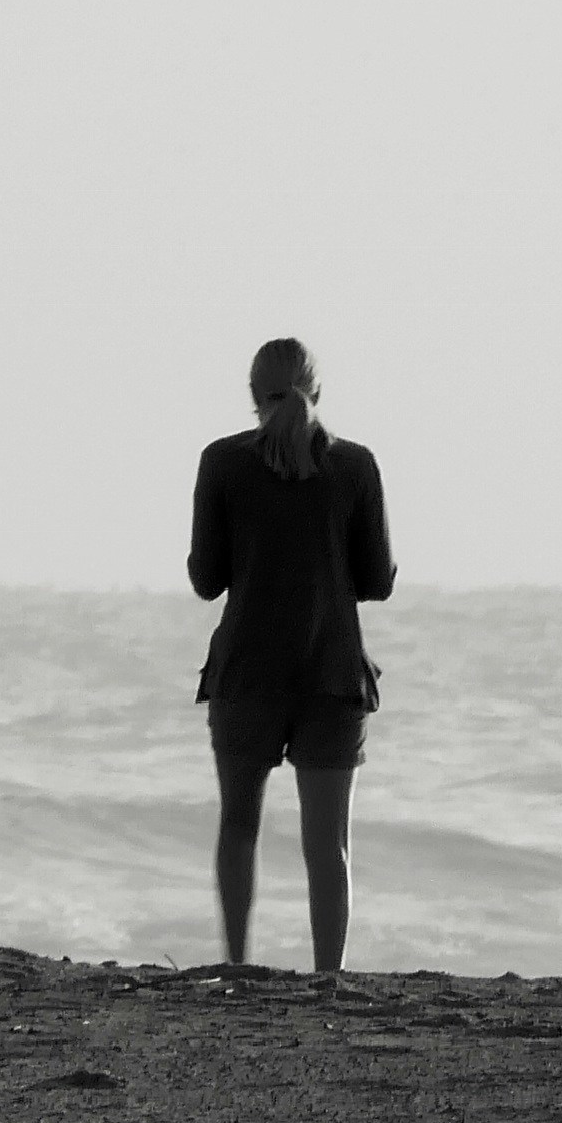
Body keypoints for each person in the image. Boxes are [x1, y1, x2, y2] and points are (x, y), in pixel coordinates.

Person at [189, 336, 395, 991]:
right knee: (326, 842)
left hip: (248, 669)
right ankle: (328, 976)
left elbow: (205, 578)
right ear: (318, 392)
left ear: (253, 396)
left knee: (238, 823)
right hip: (330, 671)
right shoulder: (355, 467)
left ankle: (236, 964)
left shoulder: (223, 464)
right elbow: (378, 579)